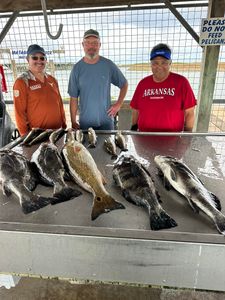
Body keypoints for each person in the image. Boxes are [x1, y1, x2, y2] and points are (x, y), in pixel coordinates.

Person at [68, 29, 128, 130]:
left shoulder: (108, 65)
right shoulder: (77, 68)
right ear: (83, 45)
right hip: (85, 122)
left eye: (95, 43)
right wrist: (73, 121)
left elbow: (124, 84)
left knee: (108, 145)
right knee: (86, 146)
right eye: (88, 43)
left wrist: (118, 104)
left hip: (107, 121)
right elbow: (73, 98)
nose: (91, 46)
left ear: (100, 45)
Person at [130, 43, 197, 132]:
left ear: (170, 63)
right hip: (144, 137)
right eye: (155, 63)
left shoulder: (182, 82)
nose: (159, 66)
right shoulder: (142, 84)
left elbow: (190, 113)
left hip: (173, 138)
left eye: (164, 62)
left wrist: (186, 137)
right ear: (151, 64)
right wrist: (133, 130)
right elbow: (136, 110)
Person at [13, 44, 67, 136]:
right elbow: (19, 113)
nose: (39, 61)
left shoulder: (52, 80)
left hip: (57, 132)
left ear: (45, 60)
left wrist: (64, 124)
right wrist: (24, 136)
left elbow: (59, 103)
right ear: (28, 60)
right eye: (34, 58)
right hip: (37, 135)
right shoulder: (22, 82)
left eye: (42, 58)